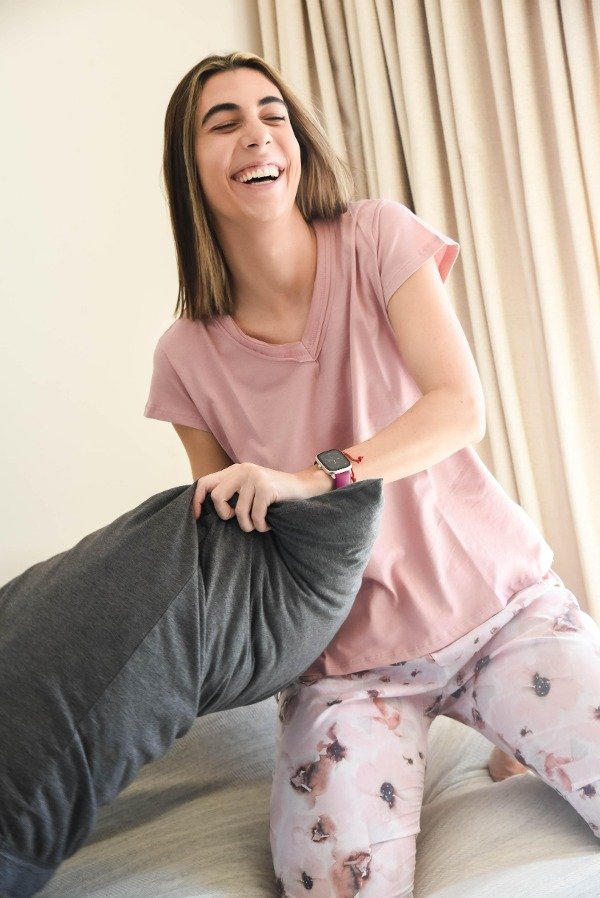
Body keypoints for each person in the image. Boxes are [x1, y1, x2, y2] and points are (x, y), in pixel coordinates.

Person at [144, 51, 600, 898]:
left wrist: (309, 477)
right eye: (224, 122)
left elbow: (459, 407)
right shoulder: (184, 358)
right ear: (188, 166)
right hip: (347, 671)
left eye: (273, 114)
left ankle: (515, 732)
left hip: (498, 607)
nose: (258, 134)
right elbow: (233, 548)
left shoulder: (376, 236)